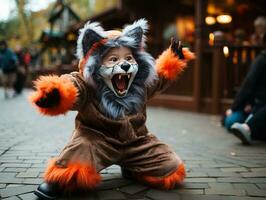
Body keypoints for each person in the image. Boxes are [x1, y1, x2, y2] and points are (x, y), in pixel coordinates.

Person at [29, 19, 194, 199]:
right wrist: (55, 93)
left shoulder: (139, 83)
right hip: (96, 140)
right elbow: (72, 85)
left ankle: (132, 168)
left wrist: (173, 60)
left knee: (171, 168)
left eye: (129, 58)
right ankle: (60, 179)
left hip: (137, 142)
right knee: (71, 170)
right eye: (113, 59)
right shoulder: (87, 83)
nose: (124, 65)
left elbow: (159, 78)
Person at [224, 39, 266, 144]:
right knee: (230, 121)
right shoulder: (261, 59)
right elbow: (248, 86)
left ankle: (248, 128)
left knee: (231, 121)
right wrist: (237, 107)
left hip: (260, 108)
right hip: (255, 105)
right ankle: (248, 127)